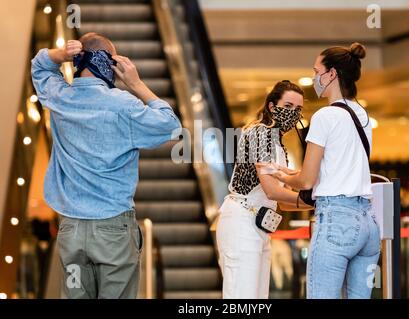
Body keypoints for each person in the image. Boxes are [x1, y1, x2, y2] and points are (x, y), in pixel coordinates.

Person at [31, 33, 181, 299]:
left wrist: (60, 54)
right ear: (110, 65)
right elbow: (170, 125)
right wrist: (136, 85)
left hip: (72, 231)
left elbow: (40, 66)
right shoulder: (124, 106)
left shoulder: (60, 98)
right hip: (113, 230)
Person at [262, 43, 380, 299]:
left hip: (336, 221)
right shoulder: (362, 115)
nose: (315, 77)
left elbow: (306, 179)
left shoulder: (325, 117)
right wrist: (288, 172)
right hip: (368, 222)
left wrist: (281, 175)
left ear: (332, 74)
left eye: (317, 71)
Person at [216, 80, 313, 299]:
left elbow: (284, 202)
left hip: (260, 225)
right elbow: (271, 190)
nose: (293, 114)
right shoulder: (261, 133)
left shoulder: (277, 142)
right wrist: (313, 200)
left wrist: (313, 200)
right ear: (271, 106)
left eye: (298, 109)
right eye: (288, 106)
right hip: (242, 221)